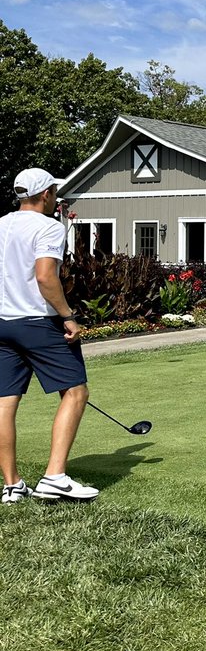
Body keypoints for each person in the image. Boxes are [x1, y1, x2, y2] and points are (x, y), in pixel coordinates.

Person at [0, 168, 99, 504]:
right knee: (76, 391)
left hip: (3, 324)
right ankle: (54, 478)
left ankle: (12, 485)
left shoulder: (1, 224)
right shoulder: (49, 226)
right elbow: (45, 277)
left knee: (4, 402)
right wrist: (68, 317)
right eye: (54, 192)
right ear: (46, 195)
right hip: (38, 323)